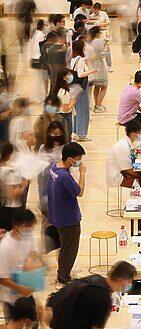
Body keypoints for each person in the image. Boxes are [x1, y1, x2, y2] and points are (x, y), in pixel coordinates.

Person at [47, 261, 137, 328]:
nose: (130, 284)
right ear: (121, 280)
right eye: (129, 281)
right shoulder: (103, 297)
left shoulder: (96, 279)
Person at [47, 142, 86, 284]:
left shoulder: (54, 168)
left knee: (65, 248)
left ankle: (63, 273)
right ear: (70, 159)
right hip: (68, 219)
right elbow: (79, 192)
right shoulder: (64, 176)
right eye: (78, 158)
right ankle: (63, 277)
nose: (79, 161)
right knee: (69, 250)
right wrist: (82, 173)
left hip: (57, 215)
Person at [0, 209, 39, 324]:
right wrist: (20, 288)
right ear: (18, 225)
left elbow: (33, 250)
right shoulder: (5, 247)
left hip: (28, 295)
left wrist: (30, 259)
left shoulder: (28, 235)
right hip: (12, 301)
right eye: (28, 226)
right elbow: (2, 279)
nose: (30, 229)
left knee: (33, 324)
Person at [38, 121, 68, 233]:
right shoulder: (43, 148)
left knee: (61, 216)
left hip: (61, 185)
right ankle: (46, 243)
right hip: (47, 185)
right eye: (54, 133)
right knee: (47, 219)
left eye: (59, 133)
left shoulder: (65, 147)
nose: (57, 136)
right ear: (49, 134)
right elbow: (41, 168)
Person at [70, 39, 98, 142]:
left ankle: (75, 132)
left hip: (75, 87)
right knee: (83, 110)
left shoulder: (73, 59)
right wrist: (91, 71)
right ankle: (82, 134)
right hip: (82, 86)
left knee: (77, 110)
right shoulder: (80, 59)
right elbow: (80, 74)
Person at [106, 120, 141, 189]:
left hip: (122, 171)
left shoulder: (127, 142)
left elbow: (136, 147)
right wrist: (140, 176)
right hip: (116, 176)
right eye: (140, 133)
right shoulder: (123, 146)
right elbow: (128, 170)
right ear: (134, 134)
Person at [0, 143, 29, 231]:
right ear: (10, 154)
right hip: (11, 209)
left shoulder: (3, 168)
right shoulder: (9, 171)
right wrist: (24, 185)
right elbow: (12, 194)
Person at [88, 26, 109, 113]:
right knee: (104, 86)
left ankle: (97, 104)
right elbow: (102, 55)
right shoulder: (99, 41)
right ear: (97, 33)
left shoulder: (91, 42)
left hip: (92, 65)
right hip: (99, 65)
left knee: (96, 87)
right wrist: (106, 48)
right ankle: (98, 105)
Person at [29, 19, 49, 103]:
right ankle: (37, 97)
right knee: (39, 79)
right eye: (45, 25)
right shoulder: (40, 34)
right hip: (38, 59)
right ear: (42, 26)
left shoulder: (35, 33)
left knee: (37, 79)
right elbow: (41, 48)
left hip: (33, 58)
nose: (46, 27)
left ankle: (36, 96)